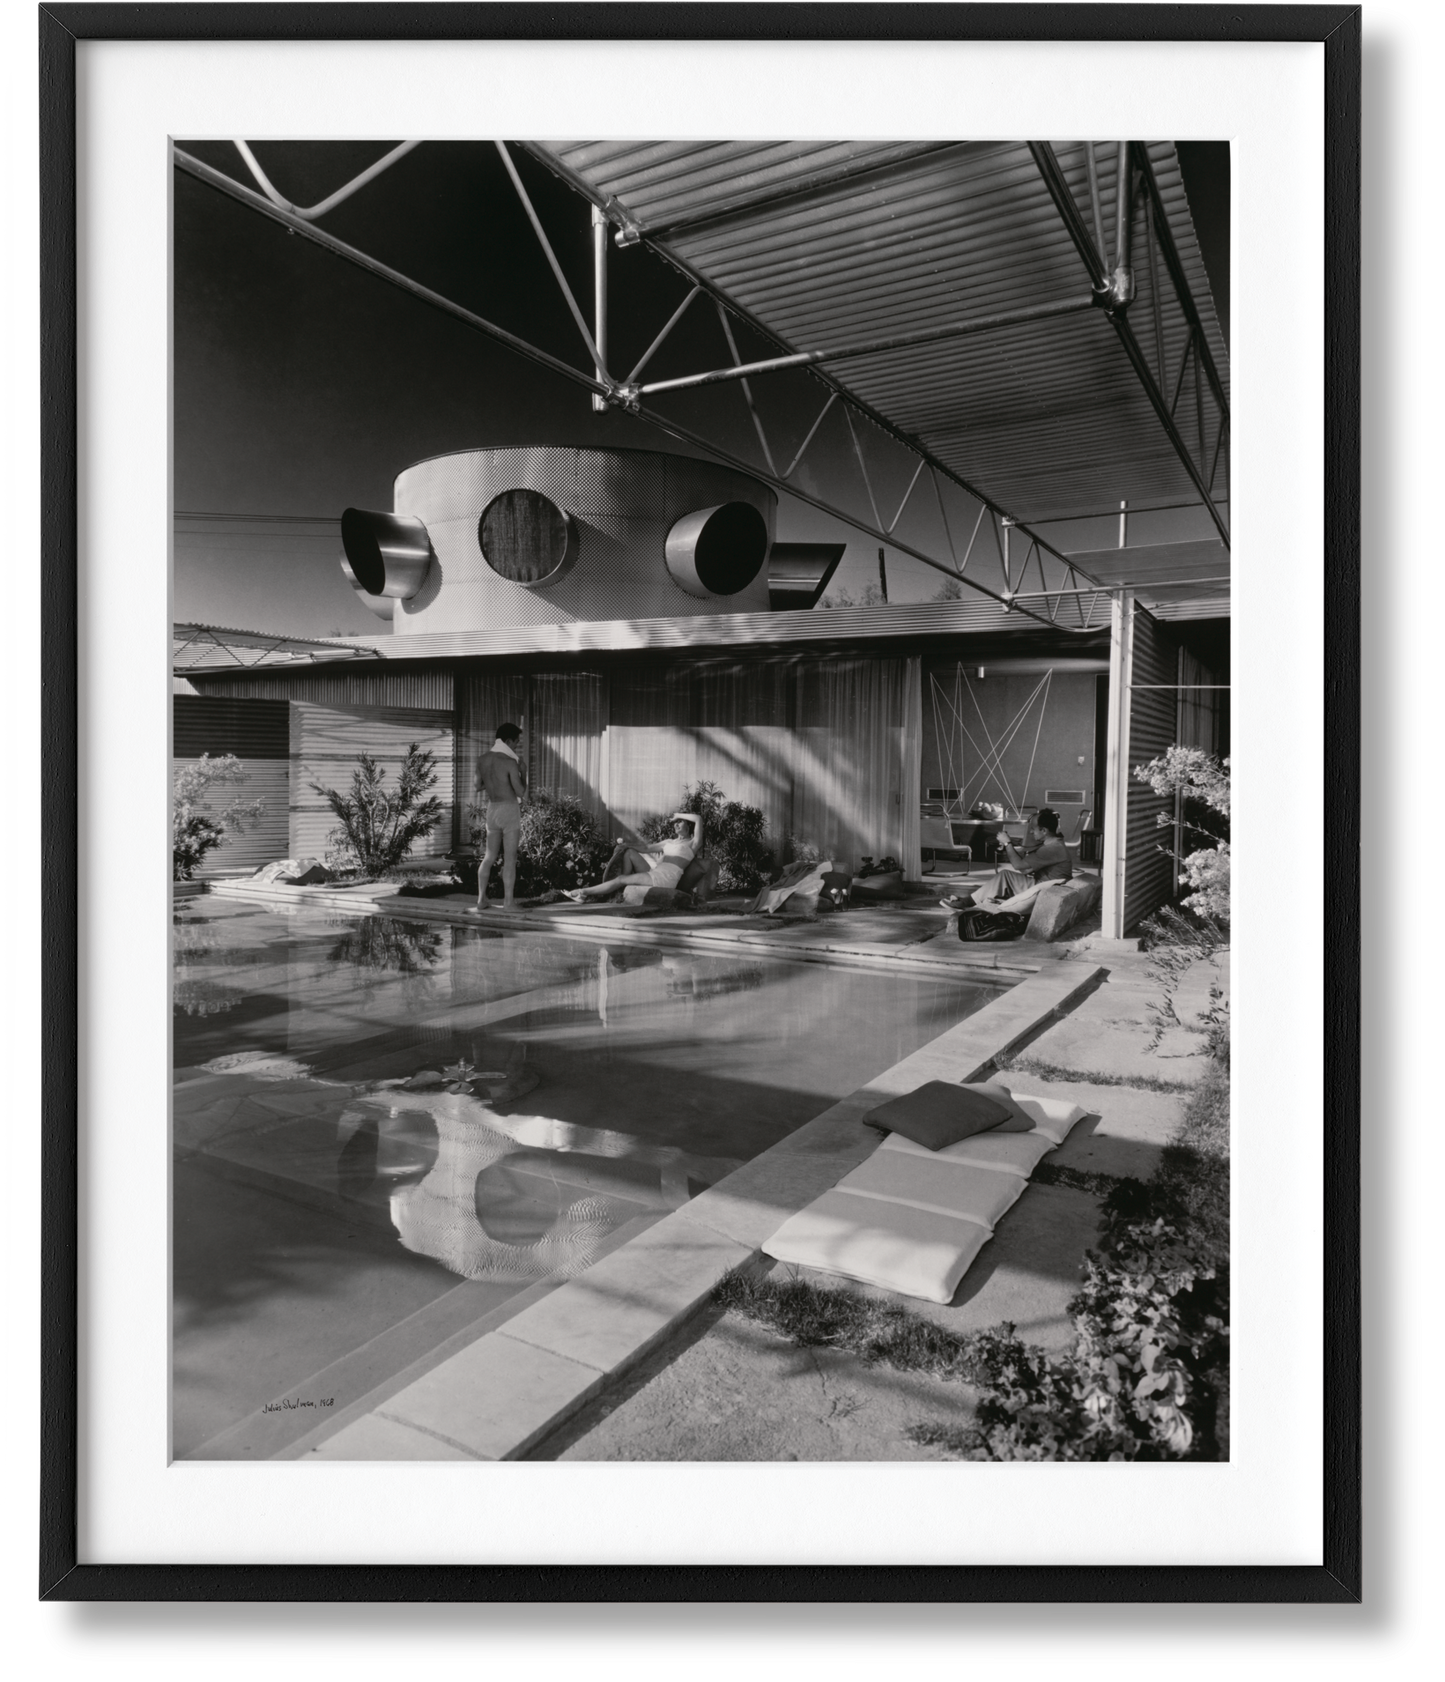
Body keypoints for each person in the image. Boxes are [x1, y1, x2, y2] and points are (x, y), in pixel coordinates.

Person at [940, 808, 1072, 909]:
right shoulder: (1055, 844)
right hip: (1048, 886)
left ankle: (968, 902)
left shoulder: (1051, 848)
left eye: (1033, 829)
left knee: (1005, 876)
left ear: (1044, 831)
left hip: (1046, 890)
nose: (1031, 832)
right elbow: (1026, 870)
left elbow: (1019, 866)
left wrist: (1007, 843)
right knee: (1006, 877)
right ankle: (976, 900)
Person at [564, 812, 703, 902]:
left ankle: (583, 892)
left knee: (620, 879)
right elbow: (645, 848)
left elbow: (698, 819)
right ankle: (623, 886)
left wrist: (677, 814)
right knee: (630, 852)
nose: (676, 824)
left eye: (680, 822)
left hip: (665, 878)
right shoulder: (668, 842)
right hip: (655, 872)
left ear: (688, 825)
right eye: (675, 822)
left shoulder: (692, 844)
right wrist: (625, 845)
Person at [471, 722, 526, 912]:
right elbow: (521, 792)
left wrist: (494, 781)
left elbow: (477, 786)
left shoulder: (482, 759)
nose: (516, 747)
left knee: (489, 857)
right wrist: (523, 772)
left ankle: (481, 900)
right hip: (509, 809)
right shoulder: (510, 762)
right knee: (510, 858)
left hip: (492, 809)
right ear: (508, 741)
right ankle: (508, 903)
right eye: (516, 743)